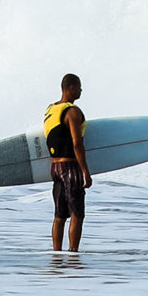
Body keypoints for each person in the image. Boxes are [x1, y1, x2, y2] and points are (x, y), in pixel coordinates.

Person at [44, 73, 89, 253]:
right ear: (71, 87)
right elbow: (77, 143)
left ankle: (56, 253)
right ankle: (73, 254)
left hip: (55, 167)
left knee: (59, 215)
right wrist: (85, 171)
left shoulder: (50, 110)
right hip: (70, 167)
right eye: (79, 87)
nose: (81, 90)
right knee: (77, 214)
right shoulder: (72, 111)